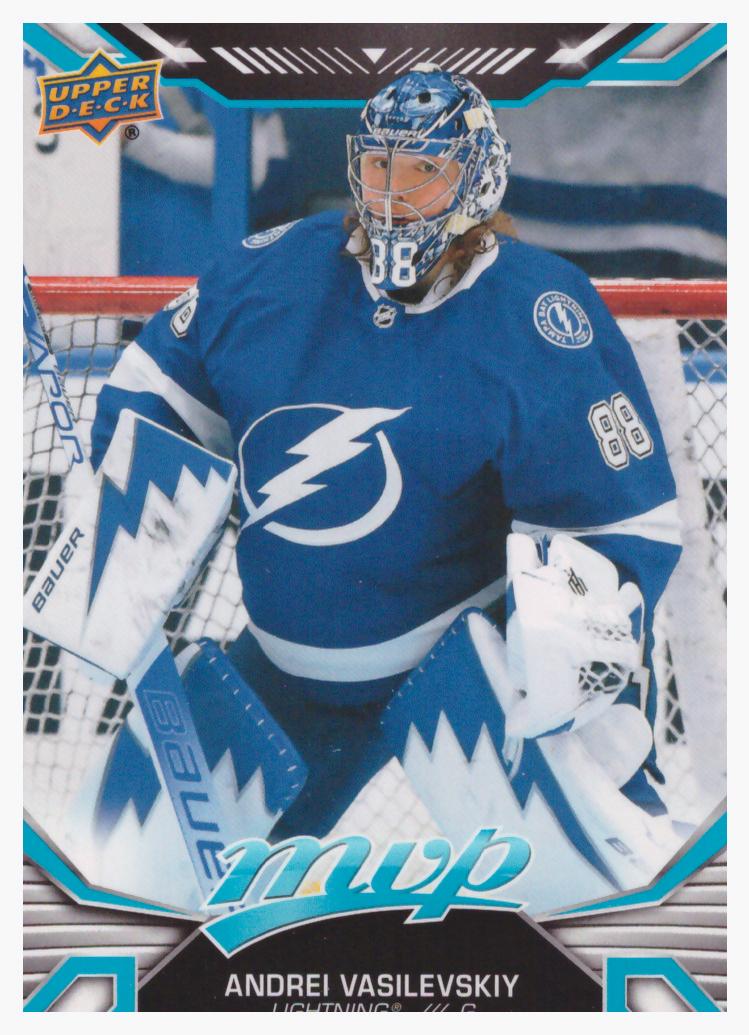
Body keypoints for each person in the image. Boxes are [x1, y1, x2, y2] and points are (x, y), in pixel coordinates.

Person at [89, 65, 681, 853]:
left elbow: (620, 515)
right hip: (287, 669)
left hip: (473, 664)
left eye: (422, 171)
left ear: (476, 179)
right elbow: (157, 386)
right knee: (131, 866)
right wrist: (134, 505)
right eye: (378, 166)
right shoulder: (269, 271)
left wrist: (570, 646)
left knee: (598, 877)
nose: (393, 196)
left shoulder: (541, 311)